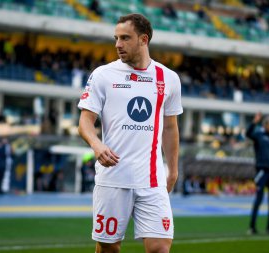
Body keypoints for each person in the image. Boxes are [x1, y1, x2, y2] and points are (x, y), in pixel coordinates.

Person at [78, 13, 182, 253]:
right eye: (116, 38)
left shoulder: (169, 79)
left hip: (152, 180)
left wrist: (173, 169)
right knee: (109, 249)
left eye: (125, 38)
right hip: (113, 178)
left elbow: (169, 127)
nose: (117, 44)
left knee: (160, 248)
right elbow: (85, 122)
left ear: (143, 39)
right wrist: (96, 144)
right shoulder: (103, 75)